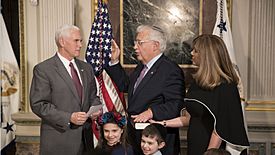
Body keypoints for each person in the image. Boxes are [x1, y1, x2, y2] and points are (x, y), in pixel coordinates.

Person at [150, 34, 249, 155]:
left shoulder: (226, 86)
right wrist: (162, 123)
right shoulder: (197, 83)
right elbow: (189, 118)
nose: (191, 53)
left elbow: (220, 129)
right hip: (194, 146)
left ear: (207, 55)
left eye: (196, 51)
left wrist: (209, 153)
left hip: (212, 150)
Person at [106, 24, 185, 155]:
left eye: (140, 43)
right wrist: (114, 61)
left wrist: (151, 112)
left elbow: (176, 105)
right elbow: (126, 86)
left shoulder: (170, 70)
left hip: (157, 142)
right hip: (136, 138)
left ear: (155, 45)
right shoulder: (141, 67)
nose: (135, 47)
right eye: (135, 42)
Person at [30, 24, 102, 155]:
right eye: (76, 41)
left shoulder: (86, 68)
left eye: (80, 41)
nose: (80, 45)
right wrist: (69, 117)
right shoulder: (44, 69)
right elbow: (39, 105)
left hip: (86, 141)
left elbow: (93, 96)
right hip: (59, 142)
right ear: (62, 42)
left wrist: (95, 108)